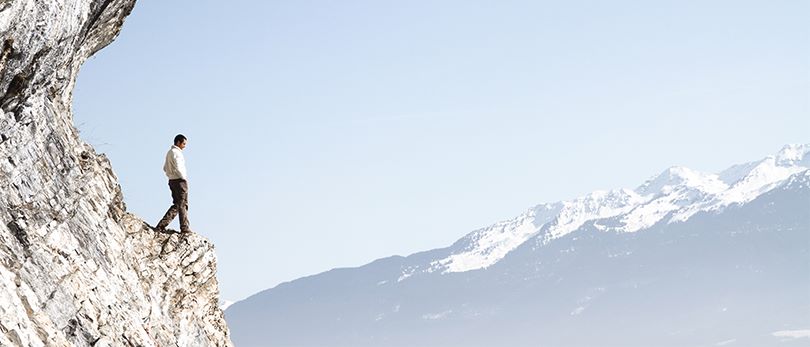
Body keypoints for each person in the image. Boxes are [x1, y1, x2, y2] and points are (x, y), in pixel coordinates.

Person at [155, 134, 192, 233]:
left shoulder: (169, 152)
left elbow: (164, 168)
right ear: (178, 142)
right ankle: (184, 228)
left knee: (177, 204)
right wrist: (183, 177)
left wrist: (170, 175)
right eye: (183, 143)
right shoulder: (177, 153)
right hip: (179, 181)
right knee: (183, 204)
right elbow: (179, 167)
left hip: (172, 181)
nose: (184, 146)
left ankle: (161, 225)